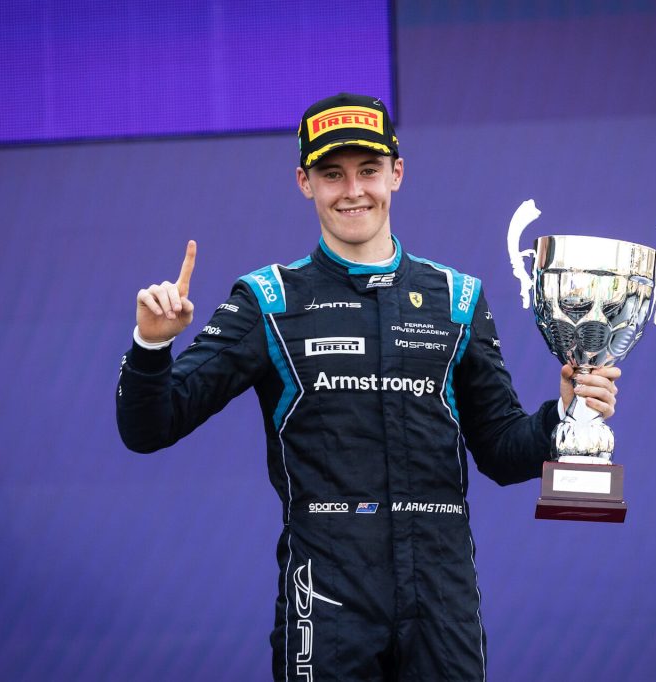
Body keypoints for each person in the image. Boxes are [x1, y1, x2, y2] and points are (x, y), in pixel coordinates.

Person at [116, 93, 621, 681]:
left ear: (396, 174)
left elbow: (502, 452)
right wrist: (151, 345)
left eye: (369, 170)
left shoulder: (457, 299)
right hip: (327, 597)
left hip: (441, 598)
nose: (353, 190)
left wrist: (564, 416)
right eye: (332, 174)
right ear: (304, 183)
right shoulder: (268, 301)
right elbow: (149, 428)